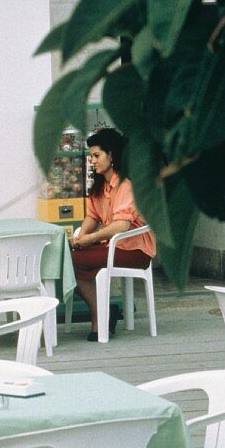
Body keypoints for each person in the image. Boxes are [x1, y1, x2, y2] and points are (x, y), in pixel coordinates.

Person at [70, 128, 156, 342]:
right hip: (113, 246)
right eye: (91, 156)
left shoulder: (126, 184)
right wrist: (80, 235)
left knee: (71, 261)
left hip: (135, 249)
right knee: (69, 257)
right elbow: (92, 216)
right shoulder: (100, 186)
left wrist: (90, 239)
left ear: (112, 155)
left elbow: (121, 226)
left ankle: (101, 315)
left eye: (96, 155)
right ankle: (104, 312)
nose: (93, 160)